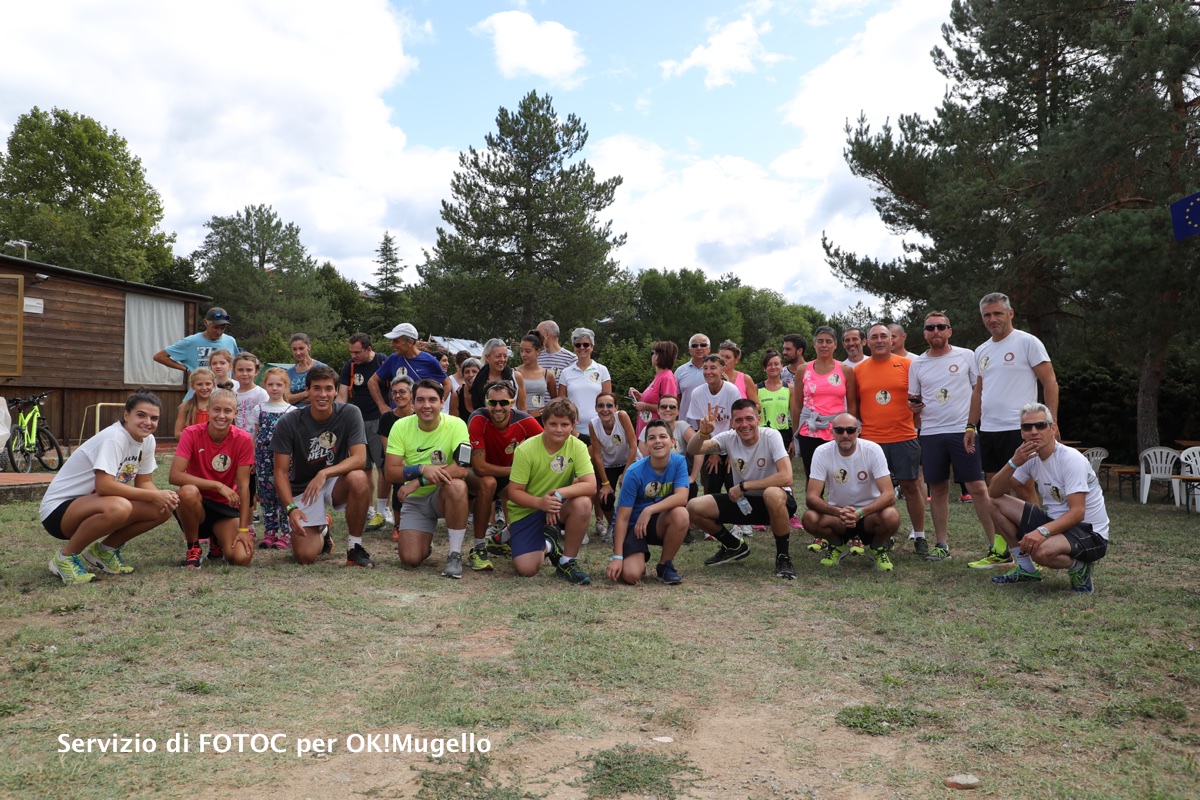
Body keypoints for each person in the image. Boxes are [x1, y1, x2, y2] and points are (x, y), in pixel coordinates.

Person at [40, 391, 178, 584]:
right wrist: (154, 496)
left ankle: (104, 552)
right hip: (58, 512)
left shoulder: (148, 440)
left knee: (161, 509)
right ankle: (64, 558)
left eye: (154, 418)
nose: (148, 422)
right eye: (141, 415)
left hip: (96, 505)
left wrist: (163, 498)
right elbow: (104, 486)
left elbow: (144, 482)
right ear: (126, 415)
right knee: (119, 506)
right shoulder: (114, 437)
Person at [967, 292, 1060, 568]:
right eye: (987, 315)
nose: (992, 319)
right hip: (991, 430)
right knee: (994, 492)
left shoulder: (1027, 342)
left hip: (1021, 429)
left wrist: (1050, 422)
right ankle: (1004, 551)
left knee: (1023, 487)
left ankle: (1041, 546)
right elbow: (978, 392)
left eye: (997, 313)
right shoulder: (981, 350)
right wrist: (971, 425)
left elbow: (1050, 382)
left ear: (1010, 313)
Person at [986, 403, 1107, 594]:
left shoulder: (1070, 459)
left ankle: (1079, 568)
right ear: (1022, 433)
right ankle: (1026, 569)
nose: (1034, 431)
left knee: (1041, 552)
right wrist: (1013, 463)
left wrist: (1041, 532)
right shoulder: (1030, 457)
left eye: (1040, 425)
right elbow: (994, 492)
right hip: (1055, 523)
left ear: (1053, 428)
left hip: (1089, 533)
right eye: (1027, 427)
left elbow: (1078, 512)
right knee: (994, 503)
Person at [907, 312, 996, 562]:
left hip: (962, 430)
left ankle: (996, 545)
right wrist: (913, 406)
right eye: (930, 328)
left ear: (950, 331)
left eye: (941, 327)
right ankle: (941, 544)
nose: (936, 331)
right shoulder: (918, 364)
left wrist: (972, 425)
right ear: (924, 333)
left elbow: (978, 390)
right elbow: (914, 398)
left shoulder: (966, 355)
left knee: (977, 487)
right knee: (937, 489)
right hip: (931, 433)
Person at [270, 365, 374, 568]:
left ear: (336, 390)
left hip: (335, 481)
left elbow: (360, 458)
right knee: (305, 557)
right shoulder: (288, 422)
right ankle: (323, 529)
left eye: (328, 388)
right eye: (316, 388)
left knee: (359, 477)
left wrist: (324, 472)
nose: (323, 394)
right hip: (303, 487)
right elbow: (280, 472)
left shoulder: (350, 413)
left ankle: (355, 548)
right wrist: (291, 508)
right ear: (307, 391)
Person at [686, 398, 799, 579]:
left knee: (771, 493)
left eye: (749, 419)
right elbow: (694, 450)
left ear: (758, 419)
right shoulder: (729, 437)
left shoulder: (771, 436)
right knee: (693, 507)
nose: (744, 425)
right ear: (732, 423)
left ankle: (783, 557)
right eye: (738, 420)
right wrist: (701, 433)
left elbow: (786, 476)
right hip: (744, 502)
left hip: (778, 502)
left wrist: (744, 486)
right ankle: (733, 546)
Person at [385, 379, 471, 578]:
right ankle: (424, 543)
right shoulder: (400, 426)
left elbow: (463, 468)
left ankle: (455, 553)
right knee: (410, 559)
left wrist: (419, 480)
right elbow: (390, 472)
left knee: (457, 486)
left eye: (432, 400)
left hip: (443, 493)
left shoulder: (456, 424)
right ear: (413, 404)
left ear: (442, 402)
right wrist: (421, 469)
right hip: (416, 501)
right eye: (420, 400)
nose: (426, 405)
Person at [505, 397, 597, 584]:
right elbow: (514, 492)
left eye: (564, 424)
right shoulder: (526, 449)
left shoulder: (578, 446)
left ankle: (567, 562)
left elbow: (591, 485)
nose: (558, 429)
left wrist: (557, 495)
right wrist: (540, 503)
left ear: (574, 424)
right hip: (527, 509)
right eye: (553, 424)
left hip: (556, 505)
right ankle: (549, 544)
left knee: (583, 502)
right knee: (527, 569)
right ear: (543, 423)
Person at [854, 323, 927, 554]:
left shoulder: (908, 365)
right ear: (867, 341)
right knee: (874, 491)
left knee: (911, 486)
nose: (879, 340)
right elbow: (855, 405)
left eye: (884, 336)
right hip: (871, 440)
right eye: (874, 337)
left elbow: (920, 400)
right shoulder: (859, 369)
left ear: (892, 339)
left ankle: (920, 536)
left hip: (903, 436)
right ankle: (882, 533)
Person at [801, 413, 901, 571]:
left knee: (892, 516)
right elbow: (811, 497)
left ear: (859, 431)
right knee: (809, 518)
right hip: (839, 517)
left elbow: (889, 495)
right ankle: (837, 545)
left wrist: (860, 513)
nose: (845, 435)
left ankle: (877, 548)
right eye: (839, 430)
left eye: (850, 430)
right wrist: (838, 512)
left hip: (869, 515)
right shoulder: (822, 452)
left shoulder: (872, 450)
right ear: (832, 432)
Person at [171, 388, 255, 568]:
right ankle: (193, 546)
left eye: (227, 411)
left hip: (225, 505)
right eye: (216, 410)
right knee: (187, 491)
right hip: (198, 503)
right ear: (208, 410)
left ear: (235, 413)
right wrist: (217, 485)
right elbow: (175, 475)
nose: (221, 416)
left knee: (241, 558)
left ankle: (217, 538)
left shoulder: (243, 439)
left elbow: (243, 486)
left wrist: (244, 529)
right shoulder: (191, 433)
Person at [792, 326, 857, 552]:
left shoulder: (845, 370)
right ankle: (820, 529)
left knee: (843, 478)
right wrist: (795, 432)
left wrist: (855, 429)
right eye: (820, 341)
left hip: (840, 433)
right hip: (810, 431)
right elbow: (797, 404)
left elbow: (853, 403)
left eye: (829, 341)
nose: (824, 345)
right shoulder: (803, 369)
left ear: (835, 345)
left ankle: (852, 526)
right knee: (814, 479)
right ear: (814, 343)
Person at [465, 381, 543, 570]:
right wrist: (518, 472)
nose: (498, 407)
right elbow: (480, 467)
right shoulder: (478, 419)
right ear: (486, 404)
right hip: (473, 473)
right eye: (493, 403)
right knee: (489, 483)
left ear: (512, 402)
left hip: (505, 471)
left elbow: (548, 444)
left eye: (503, 402)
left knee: (537, 492)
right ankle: (478, 547)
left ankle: (502, 538)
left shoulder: (524, 420)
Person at [606, 420, 690, 586]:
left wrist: (649, 510)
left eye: (662, 436)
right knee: (631, 576)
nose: (657, 441)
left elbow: (682, 497)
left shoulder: (679, 462)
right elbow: (622, 518)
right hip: (632, 525)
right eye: (652, 438)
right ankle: (636, 557)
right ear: (645, 444)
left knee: (681, 514)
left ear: (672, 442)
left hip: (656, 522)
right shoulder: (634, 472)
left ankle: (665, 565)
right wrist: (617, 556)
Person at [337, 333, 390, 532]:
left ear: (368, 349)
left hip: (379, 420)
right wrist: (337, 417)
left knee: (384, 466)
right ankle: (369, 509)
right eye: (351, 352)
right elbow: (342, 395)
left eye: (357, 352)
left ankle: (383, 510)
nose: (354, 356)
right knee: (365, 467)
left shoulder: (383, 361)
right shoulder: (349, 366)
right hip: (357, 422)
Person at [685, 354, 742, 498]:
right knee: (712, 485)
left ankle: (740, 519)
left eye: (713, 368)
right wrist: (713, 452)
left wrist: (730, 452)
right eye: (705, 368)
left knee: (733, 483)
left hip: (731, 444)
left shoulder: (732, 390)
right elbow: (701, 426)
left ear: (722, 369)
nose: (708, 372)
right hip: (710, 445)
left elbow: (735, 422)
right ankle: (712, 518)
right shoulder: (697, 393)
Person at [153, 306, 238, 400]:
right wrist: (186, 370)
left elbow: (235, 365)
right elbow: (159, 357)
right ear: (206, 323)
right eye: (215, 327)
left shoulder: (230, 341)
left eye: (223, 328)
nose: (219, 332)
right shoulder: (190, 342)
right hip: (196, 399)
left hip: (223, 398)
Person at [252, 367, 294, 550]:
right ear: (265, 386)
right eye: (270, 384)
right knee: (266, 495)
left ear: (286, 387)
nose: (275, 388)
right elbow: (255, 435)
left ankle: (286, 533)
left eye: (279, 384)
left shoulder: (291, 410)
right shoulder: (258, 408)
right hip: (263, 458)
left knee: (283, 494)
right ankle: (270, 532)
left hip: (284, 458)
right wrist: (253, 458)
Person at [368, 322, 451, 414]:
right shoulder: (393, 359)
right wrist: (382, 406)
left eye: (396, 341)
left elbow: (447, 384)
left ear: (410, 342)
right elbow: (372, 381)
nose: (392, 345)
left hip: (421, 417)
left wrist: (437, 406)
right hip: (398, 416)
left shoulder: (429, 360)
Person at [588, 392, 637, 541]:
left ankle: (634, 526)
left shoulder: (622, 416)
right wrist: (605, 483)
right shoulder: (593, 424)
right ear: (596, 408)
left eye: (609, 405)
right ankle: (613, 526)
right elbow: (596, 455)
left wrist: (625, 473)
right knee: (605, 497)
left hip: (629, 462)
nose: (605, 409)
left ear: (616, 407)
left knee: (631, 495)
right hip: (608, 465)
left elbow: (633, 446)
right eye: (600, 405)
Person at [377, 375, 415, 542]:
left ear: (411, 394)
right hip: (395, 460)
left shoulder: (420, 415)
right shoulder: (387, 418)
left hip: (417, 458)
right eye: (394, 393)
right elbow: (387, 451)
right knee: (400, 475)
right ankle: (398, 524)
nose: (398, 396)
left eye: (402, 392)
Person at [557, 327, 612, 439]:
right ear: (574, 348)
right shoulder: (566, 373)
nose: (582, 348)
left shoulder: (602, 370)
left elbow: (608, 400)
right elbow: (561, 403)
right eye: (578, 345)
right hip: (574, 430)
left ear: (592, 347)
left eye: (586, 344)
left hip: (599, 428)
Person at [628, 341, 679, 436]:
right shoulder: (658, 376)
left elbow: (669, 408)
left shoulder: (667, 378)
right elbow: (656, 400)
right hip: (646, 429)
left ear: (660, 356)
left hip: (657, 433)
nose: (652, 356)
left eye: (653, 353)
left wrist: (645, 406)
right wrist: (640, 396)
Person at [468, 339, 526, 414]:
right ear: (487, 357)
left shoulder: (516, 377)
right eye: (498, 356)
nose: (502, 359)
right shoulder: (479, 380)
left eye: (505, 356)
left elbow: (522, 408)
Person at [517, 333, 557, 421]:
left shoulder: (547, 374)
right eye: (521, 350)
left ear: (538, 351)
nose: (523, 354)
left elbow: (555, 400)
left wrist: (547, 409)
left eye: (527, 351)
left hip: (540, 419)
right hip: (520, 418)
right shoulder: (515, 372)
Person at [674, 333, 711, 419]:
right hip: (685, 423)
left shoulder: (716, 371)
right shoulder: (680, 371)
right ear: (689, 350)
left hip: (710, 423)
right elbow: (676, 399)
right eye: (694, 345)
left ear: (709, 348)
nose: (699, 348)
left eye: (703, 345)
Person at [174, 367, 217, 438]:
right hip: (192, 447)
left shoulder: (218, 406)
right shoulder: (185, 406)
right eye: (199, 384)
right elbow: (178, 433)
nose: (204, 387)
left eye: (208, 384)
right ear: (192, 386)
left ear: (214, 384)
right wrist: (197, 441)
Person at [285, 333, 326, 406]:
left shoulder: (321, 368)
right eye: (294, 349)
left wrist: (295, 398)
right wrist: (306, 393)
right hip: (294, 414)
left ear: (309, 347)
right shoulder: (288, 373)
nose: (298, 352)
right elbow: (286, 398)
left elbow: (322, 395)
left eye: (301, 348)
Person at [717, 340, 760, 408]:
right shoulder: (712, 379)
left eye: (728, 357)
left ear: (736, 359)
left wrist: (743, 409)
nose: (723, 360)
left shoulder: (745, 379)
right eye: (721, 357)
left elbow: (758, 407)